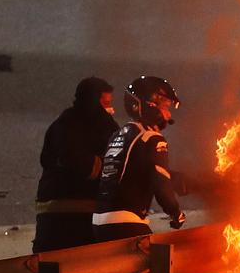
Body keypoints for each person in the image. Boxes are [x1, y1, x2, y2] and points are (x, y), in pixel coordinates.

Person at [93, 75, 186, 242]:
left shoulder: (119, 135)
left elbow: (136, 170)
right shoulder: (151, 137)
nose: (168, 113)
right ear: (150, 105)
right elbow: (160, 182)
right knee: (161, 262)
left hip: (99, 222)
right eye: (165, 106)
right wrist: (175, 212)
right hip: (127, 221)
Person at [32, 77, 119, 252]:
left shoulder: (60, 125)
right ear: (93, 102)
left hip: (53, 217)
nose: (110, 110)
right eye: (106, 103)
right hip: (76, 219)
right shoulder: (79, 128)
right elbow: (81, 164)